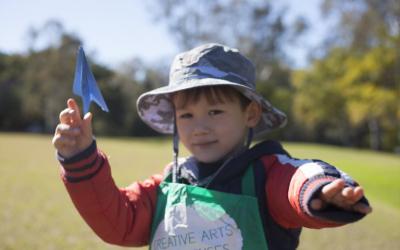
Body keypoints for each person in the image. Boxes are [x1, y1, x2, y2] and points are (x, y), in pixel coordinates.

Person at [53, 43, 372, 250]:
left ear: (250, 113)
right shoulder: (168, 183)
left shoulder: (267, 171)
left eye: (215, 112)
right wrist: (81, 158)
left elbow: (299, 178)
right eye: (186, 115)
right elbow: (119, 222)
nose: (199, 127)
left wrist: (320, 192)